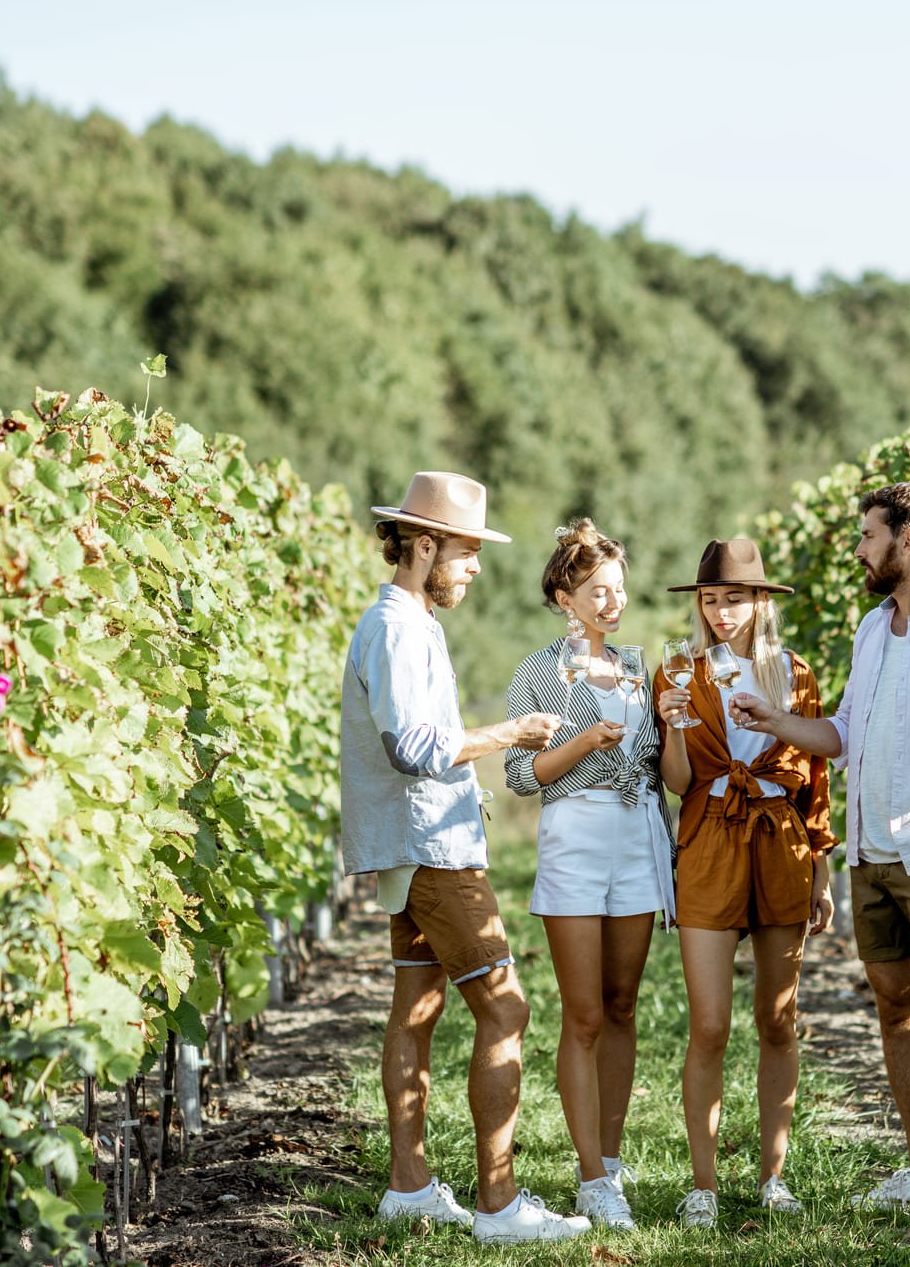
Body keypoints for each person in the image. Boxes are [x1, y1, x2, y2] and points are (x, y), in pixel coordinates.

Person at [731, 481, 910, 1226]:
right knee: (896, 1005)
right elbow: (844, 733)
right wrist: (777, 718)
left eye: (869, 535)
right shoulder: (869, 627)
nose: (859, 548)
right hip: (872, 855)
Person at [339, 470, 591, 1245]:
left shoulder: (408, 622)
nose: (476, 566)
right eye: (466, 551)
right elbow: (414, 749)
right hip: (432, 847)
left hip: (414, 846)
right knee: (506, 1007)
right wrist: (509, 734)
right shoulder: (398, 628)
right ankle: (499, 1203)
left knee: (417, 1006)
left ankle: (410, 1188)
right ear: (424, 545)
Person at [653, 537, 834, 1230]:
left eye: (732, 598)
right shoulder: (679, 671)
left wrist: (821, 868)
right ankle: (703, 1183)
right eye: (709, 599)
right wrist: (671, 730)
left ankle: (773, 1175)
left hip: (780, 843)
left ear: (761, 601)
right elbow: (675, 783)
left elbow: (815, 781)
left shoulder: (795, 673)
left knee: (777, 1018)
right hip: (706, 840)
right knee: (710, 1023)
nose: (720, 612)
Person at [503, 518, 675, 1232]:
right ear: (564, 595)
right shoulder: (537, 671)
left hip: (636, 835)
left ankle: (611, 1155)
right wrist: (580, 741)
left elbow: (663, 768)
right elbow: (520, 775)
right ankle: (590, 1177)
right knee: (583, 1013)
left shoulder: (639, 666)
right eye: (597, 591)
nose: (612, 602)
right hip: (574, 835)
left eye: (619, 590)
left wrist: (675, 724)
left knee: (624, 1004)